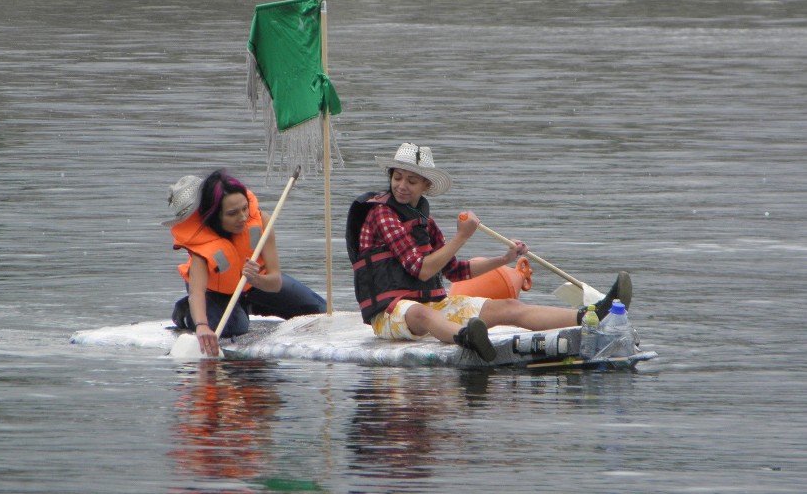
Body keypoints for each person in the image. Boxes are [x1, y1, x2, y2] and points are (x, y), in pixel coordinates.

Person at [346, 142, 632, 362]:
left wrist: (505, 259)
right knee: (421, 313)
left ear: (426, 186)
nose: (401, 186)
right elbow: (421, 270)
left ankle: (592, 315)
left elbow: (454, 270)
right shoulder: (382, 214)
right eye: (397, 177)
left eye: (411, 180)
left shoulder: (424, 221)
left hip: (431, 307)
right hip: (389, 314)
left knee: (509, 307)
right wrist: (461, 237)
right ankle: (466, 338)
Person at [164, 169, 326, 356]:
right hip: (215, 292)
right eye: (232, 213)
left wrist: (256, 279)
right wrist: (201, 325)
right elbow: (197, 291)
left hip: (255, 285)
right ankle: (186, 311)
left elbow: (275, 283)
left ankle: (246, 305)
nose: (242, 218)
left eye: (244, 208)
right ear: (215, 216)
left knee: (318, 310)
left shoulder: (262, 222)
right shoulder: (203, 244)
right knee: (235, 326)